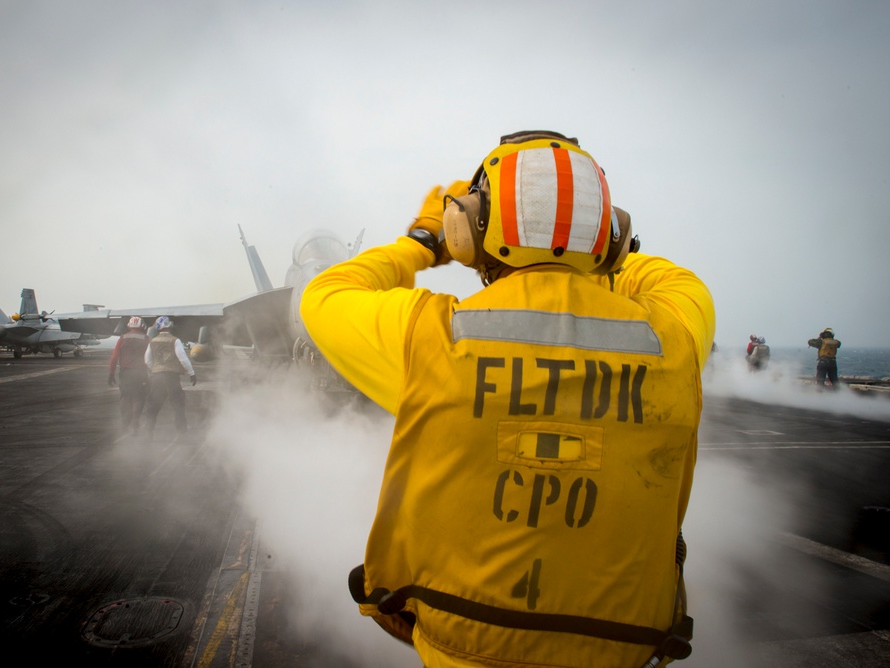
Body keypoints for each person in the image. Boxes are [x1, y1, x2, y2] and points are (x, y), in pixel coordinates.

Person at [300, 130, 715, 667]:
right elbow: (663, 277)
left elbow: (327, 293)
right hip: (621, 649)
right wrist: (600, 254)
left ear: (467, 230)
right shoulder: (677, 332)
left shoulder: (428, 336)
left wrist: (423, 241)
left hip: (460, 644)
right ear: (612, 238)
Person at [144, 316, 196, 437]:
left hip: (156, 377)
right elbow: (183, 359)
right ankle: (181, 435)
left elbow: (147, 360)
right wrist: (192, 373)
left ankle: (148, 433)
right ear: (170, 326)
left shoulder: (152, 341)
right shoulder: (175, 340)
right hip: (171, 378)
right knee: (178, 407)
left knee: (153, 406)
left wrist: (155, 369)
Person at [109, 316, 150, 434]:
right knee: (139, 398)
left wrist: (111, 374)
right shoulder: (146, 339)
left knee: (125, 397)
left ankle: (124, 424)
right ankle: (135, 422)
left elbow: (114, 358)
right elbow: (151, 357)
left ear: (129, 325)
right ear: (142, 326)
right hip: (141, 372)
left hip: (125, 373)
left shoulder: (122, 338)